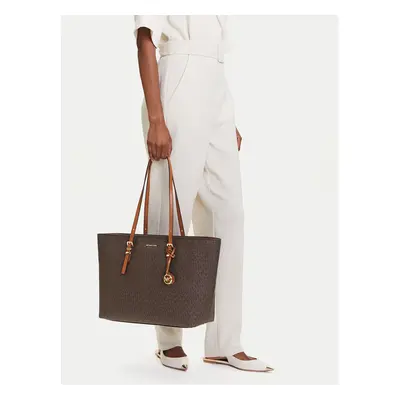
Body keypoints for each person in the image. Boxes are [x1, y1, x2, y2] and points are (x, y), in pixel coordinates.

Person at [135, 15, 273, 372]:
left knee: (229, 215)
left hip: (216, 86)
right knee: (171, 212)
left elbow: (211, 52)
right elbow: (145, 39)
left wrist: (224, 120)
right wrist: (156, 119)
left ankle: (225, 342)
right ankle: (168, 339)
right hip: (178, 80)